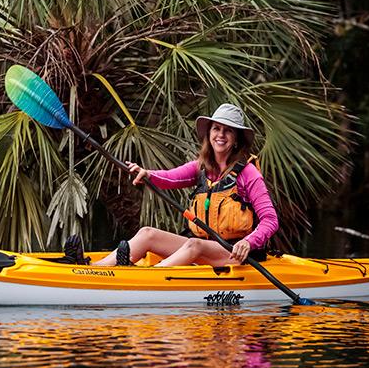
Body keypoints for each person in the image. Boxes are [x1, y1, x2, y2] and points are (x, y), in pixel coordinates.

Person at [93, 103, 278, 267]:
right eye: (216, 128)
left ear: (236, 139)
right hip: (202, 247)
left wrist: (249, 242)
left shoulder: (248, 173)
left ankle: (151, 277)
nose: (220, 135)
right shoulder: (201, 167)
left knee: (194, 244)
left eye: (228, 130)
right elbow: (169, 178)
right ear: (209, 133)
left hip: (236, 252)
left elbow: (270, 219)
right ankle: (95, 270)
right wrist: (147, 174)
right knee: (147, 233)